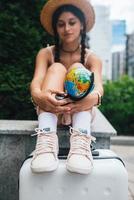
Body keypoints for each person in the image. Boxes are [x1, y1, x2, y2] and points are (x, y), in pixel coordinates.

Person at [30, 0, 103, 174]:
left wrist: (88, 100)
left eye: (72, 22)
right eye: (61, 24)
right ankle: (46, 140)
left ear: (82, 26)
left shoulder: (93, 58)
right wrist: (39, 97)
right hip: (50, 107)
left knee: (78, 68)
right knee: (56, 68)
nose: (67, 29)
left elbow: (99, 89)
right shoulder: (45, 53)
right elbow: (36, 81)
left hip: (81, 110)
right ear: (56, 28)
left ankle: (80, 142)